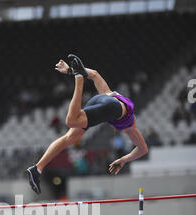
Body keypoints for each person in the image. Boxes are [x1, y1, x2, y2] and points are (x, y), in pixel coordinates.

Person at [27, 54, 148, 194]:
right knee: (71, 121)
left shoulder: (110, 94)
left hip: (101, 99)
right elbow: (143, 149)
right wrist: (124, 159)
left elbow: (95, 74)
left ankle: (37, 169)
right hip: (111, 108)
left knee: (70, 138)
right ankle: (79, 80)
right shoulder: (130, 126)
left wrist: (69, 70)